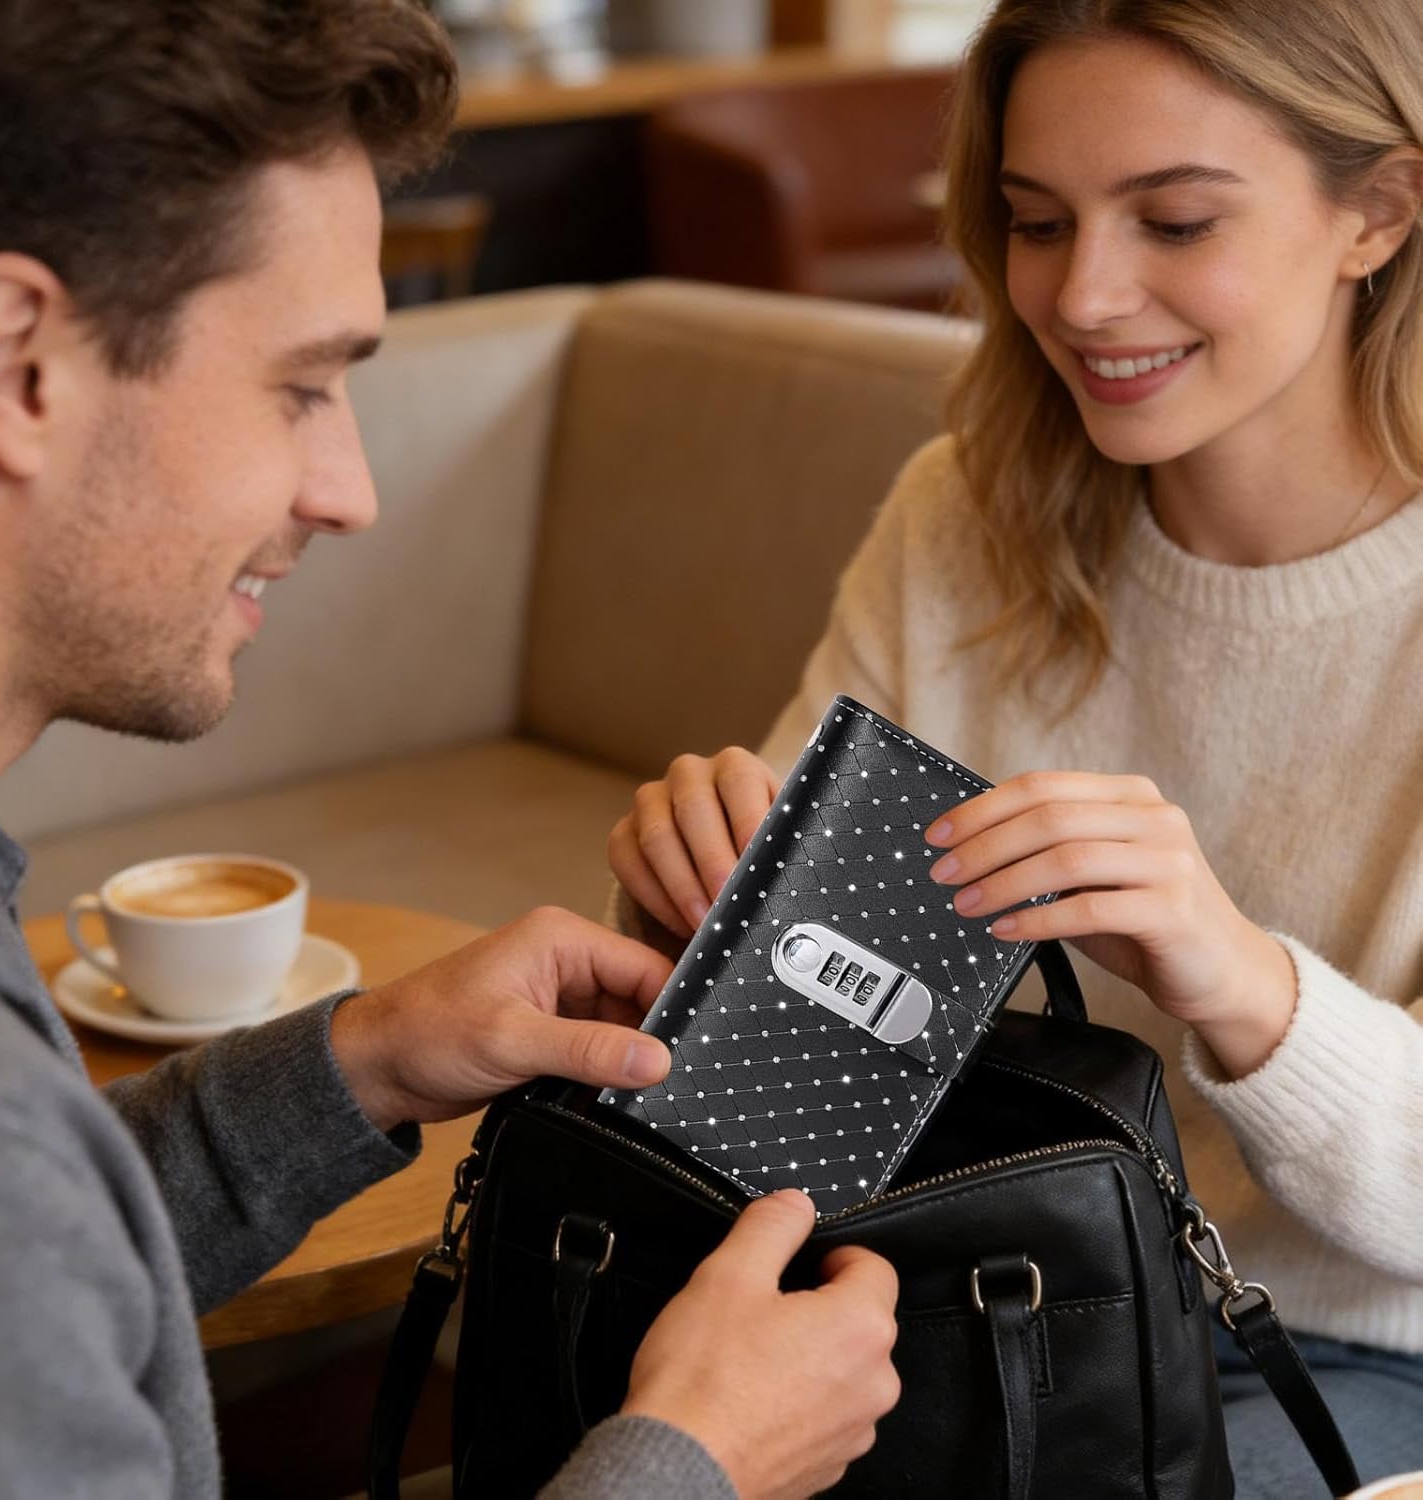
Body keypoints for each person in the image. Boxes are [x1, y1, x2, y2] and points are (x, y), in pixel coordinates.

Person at [0, 3, 904, 1497]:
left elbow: (33, 1278)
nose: (351, 488)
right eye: (303, 386)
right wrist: (701, 1460)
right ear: (13, 364)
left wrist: (363, 1062)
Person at [608, 0, 1423, 1494]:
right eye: (1037, 223)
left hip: (1358, 1354)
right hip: (972, 1287)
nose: (1085, 296)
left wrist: (1238, 980)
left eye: (1175, 221)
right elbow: (797, 1048)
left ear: (1376, 213)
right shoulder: (965, 514)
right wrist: (705, 914)